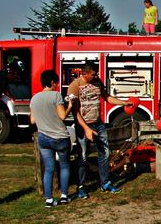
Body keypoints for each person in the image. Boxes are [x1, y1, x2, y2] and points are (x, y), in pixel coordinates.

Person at [67, 61, 132, 198]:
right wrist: (86, 129)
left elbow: (106, 97)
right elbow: (75, 111)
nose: (95, 75)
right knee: (83, 156)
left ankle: (105, 182)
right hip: (83, 125)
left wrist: (124, 103)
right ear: (84, 73)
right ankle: (81, 187)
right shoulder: (75, 86)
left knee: (105, 153)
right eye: (92, 74)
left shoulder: (97, 82)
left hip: (98, 123)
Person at [30, 70, 73, 208]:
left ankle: (49, 199)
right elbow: (62, 116)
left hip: (43, 137)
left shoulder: (34, 98)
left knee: (48, 168)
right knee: (64, 165)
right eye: (57, 83)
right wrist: (70, 107)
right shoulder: (56, 96)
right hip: (60, 137)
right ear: (53, 82)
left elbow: (32, 120)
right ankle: (64, 196)